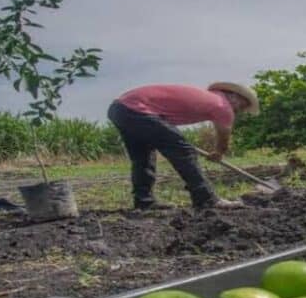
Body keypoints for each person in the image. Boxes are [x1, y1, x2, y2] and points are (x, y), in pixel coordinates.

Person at [107, 82, 260, 210]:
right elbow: (224, 136)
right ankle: (207, 199)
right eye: (243, 104)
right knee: (184, 151)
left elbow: (162, 122)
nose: (241, 109)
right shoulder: (223, 106)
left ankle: (144, 202)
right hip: (137, 109)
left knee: (143, 157)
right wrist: (219, 152)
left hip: (120, 109)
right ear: (233, 96)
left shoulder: (209, 98)